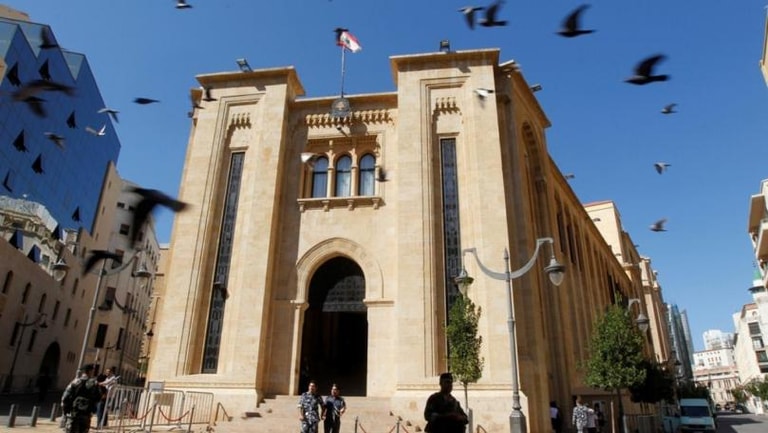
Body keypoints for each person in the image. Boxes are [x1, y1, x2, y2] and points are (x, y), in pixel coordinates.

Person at [61, 364, 103, 433]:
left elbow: (65, 397)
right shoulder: (95, 383)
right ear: (91, 371)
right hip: (86, 413)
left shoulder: (75, 382)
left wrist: (65, 411)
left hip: (74, 412)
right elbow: (99, 397)